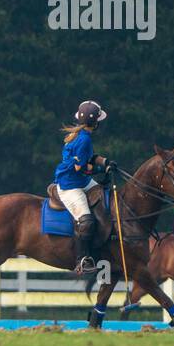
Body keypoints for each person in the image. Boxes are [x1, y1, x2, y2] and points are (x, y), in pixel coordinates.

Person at [53, 100, 116, 274]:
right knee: (87, 222)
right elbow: (80, 167)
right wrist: (99, 168)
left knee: (106, 198)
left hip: (80, 181)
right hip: (70, 185)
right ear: (95, 123)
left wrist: (105, 162)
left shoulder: (81, 135)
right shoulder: (83, 140)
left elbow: (88, 157)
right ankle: (82, 260)